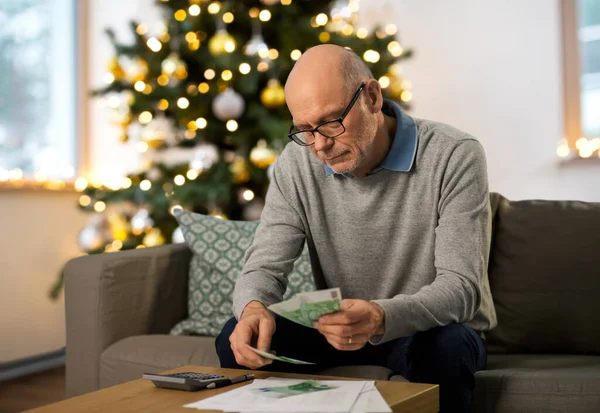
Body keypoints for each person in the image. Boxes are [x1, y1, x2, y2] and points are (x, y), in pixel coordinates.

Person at [215, 44, 497, 412]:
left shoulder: (454, 154)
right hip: (341, 328)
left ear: (373, 97)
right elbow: (264, 267)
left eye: (332, 122)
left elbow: (461, 288)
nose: (320, 146)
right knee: (237, 338)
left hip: (430, 328)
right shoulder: (297, 165)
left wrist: (380, 316)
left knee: (446, 348)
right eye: (304, 129)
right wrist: (252, 308)